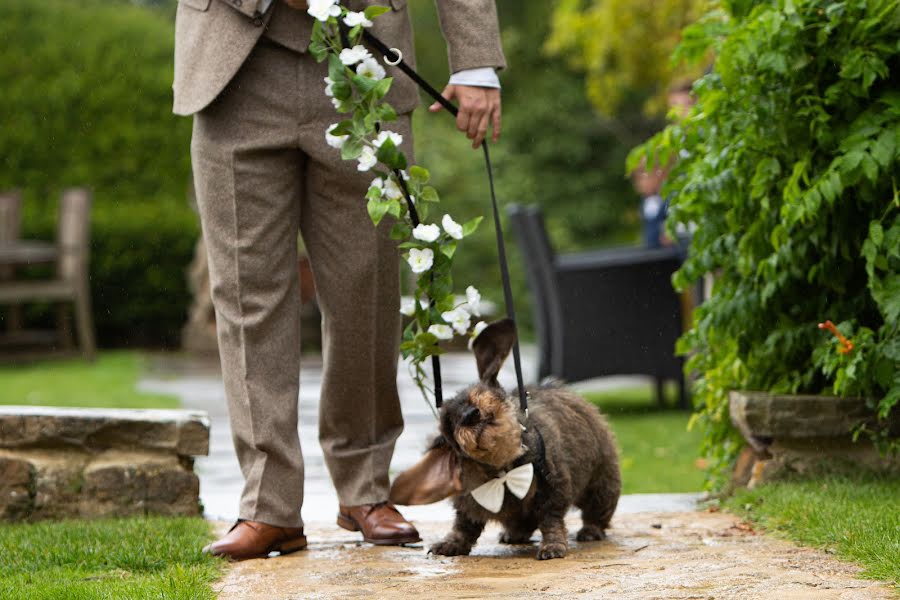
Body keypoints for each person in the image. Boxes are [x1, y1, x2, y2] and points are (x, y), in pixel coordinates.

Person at [172, 0, 505, 560]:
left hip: (367, 65)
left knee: (366, 294)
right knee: (248, 299)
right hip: (234, 69)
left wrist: (474, 61)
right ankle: (267, 506)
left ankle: (365, 491)